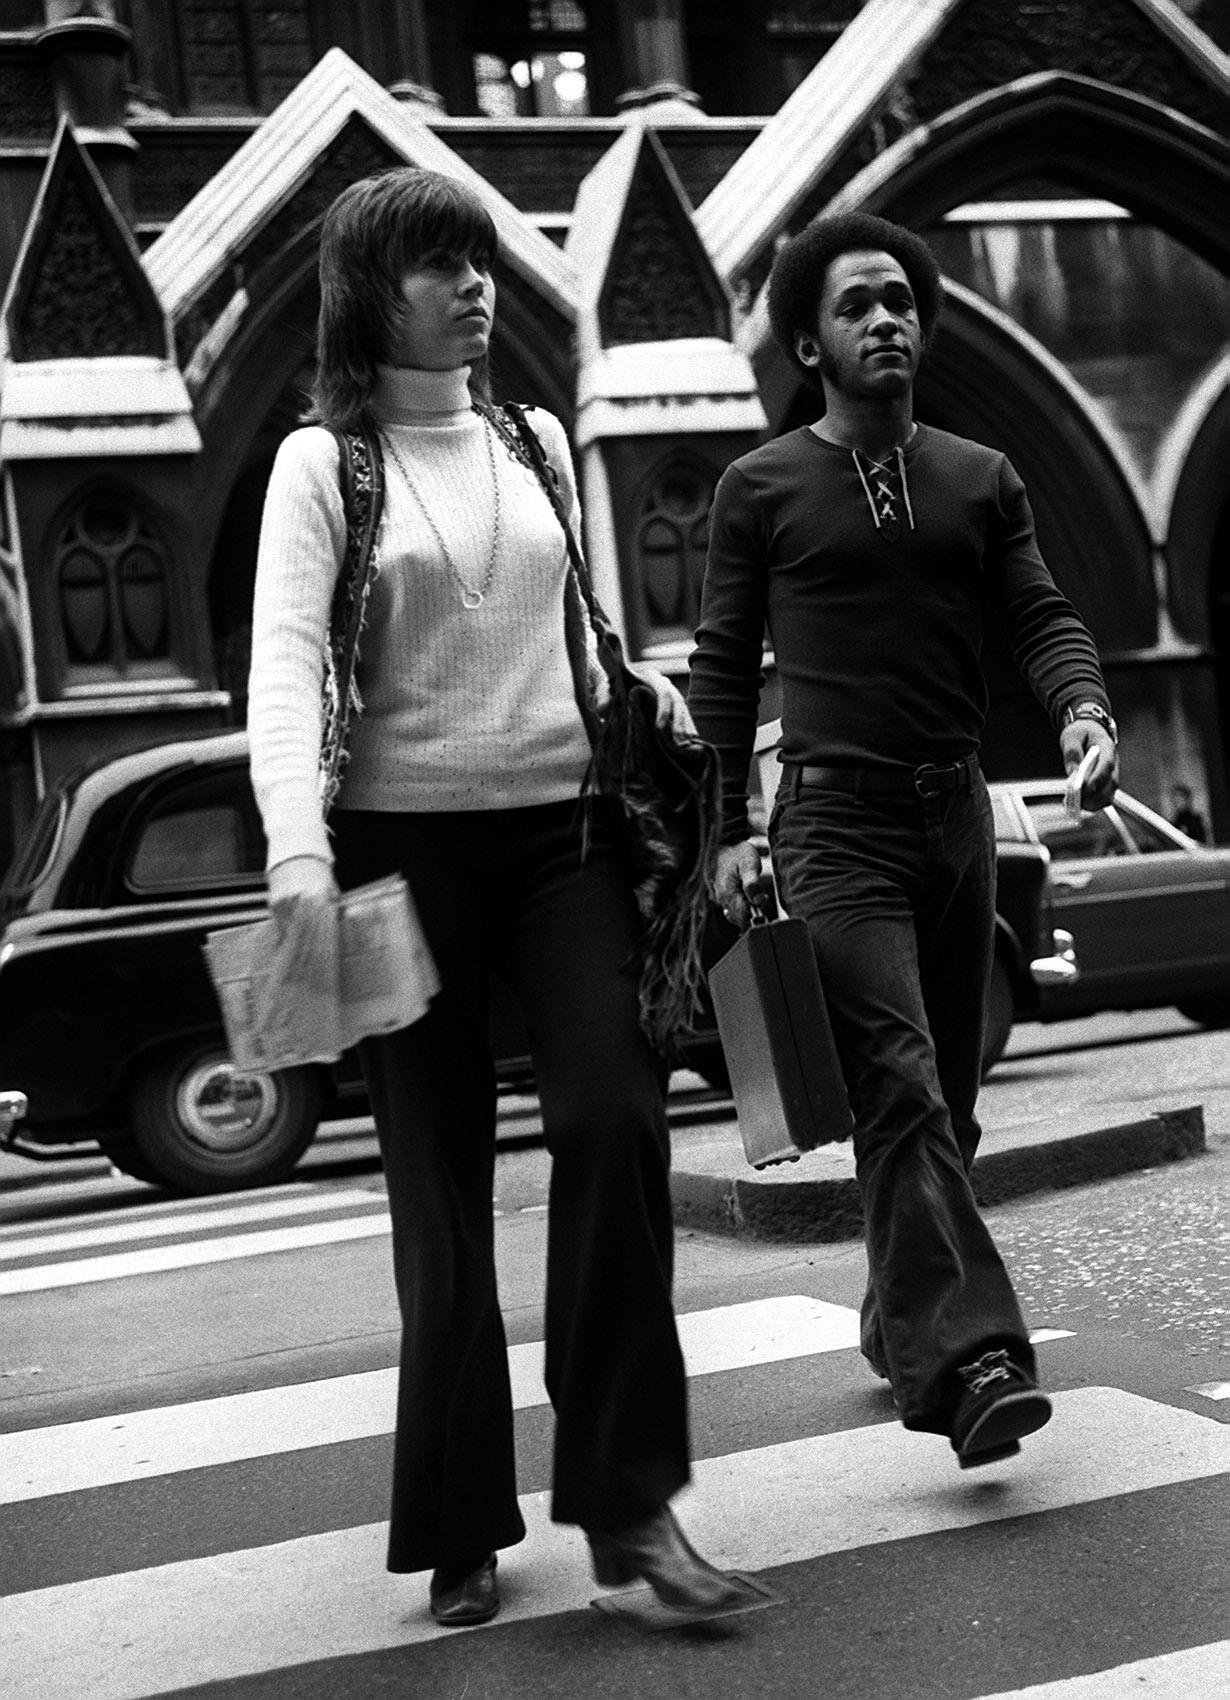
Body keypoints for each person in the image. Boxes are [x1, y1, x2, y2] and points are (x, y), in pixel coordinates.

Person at [248, 166, 748, 1628]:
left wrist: (634, 688)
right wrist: (294, 852)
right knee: (437, 1181)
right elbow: (286, 671)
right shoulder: (315, 466)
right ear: (367, 292)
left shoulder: (532, 439)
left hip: (563, 842)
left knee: (613, 1115)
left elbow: (566, 626)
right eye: (436, 266)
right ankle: (460, 1513)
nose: (473, 288)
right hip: (397, 863)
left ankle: (628, 1503)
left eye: (477, 263)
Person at [688, 211, 1120, 1469]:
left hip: (957, 816)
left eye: (900, 300)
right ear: (811, 344)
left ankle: (896, 1316)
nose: (889, 318)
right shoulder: (758, 486)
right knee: (903, 1085)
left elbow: (1038, 613)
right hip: (833, 824)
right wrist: (727, 827)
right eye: (857, 306)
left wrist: (1084, 710)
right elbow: (722, 672)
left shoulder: (983, 474)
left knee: (949, 1108)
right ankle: (977, 1361)